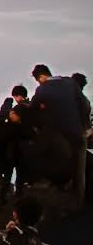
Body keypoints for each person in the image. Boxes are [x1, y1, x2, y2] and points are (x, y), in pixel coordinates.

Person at [30, 64, 89, 207]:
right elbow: (85, 105)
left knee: (57, 167)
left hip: (57, 138)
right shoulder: (70, 82)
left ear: (41, 77)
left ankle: (60, 206)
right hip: (77, 133)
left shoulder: (42, 89)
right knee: (79, 170)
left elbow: (32, 110)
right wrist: (84, 126)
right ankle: (79, 202)